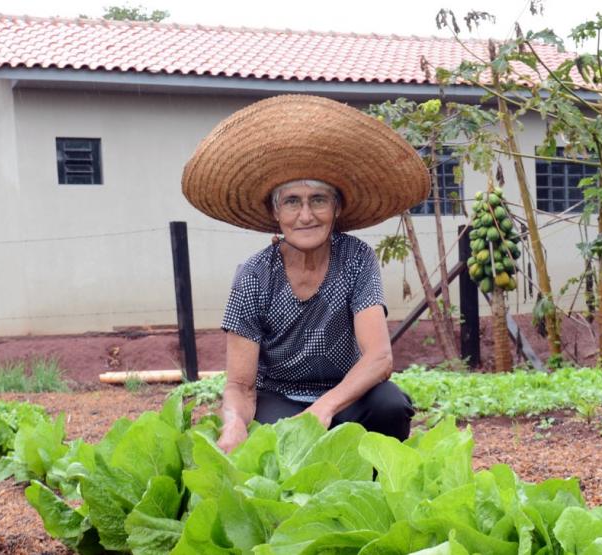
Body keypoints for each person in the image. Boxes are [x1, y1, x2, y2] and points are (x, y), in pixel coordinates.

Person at [181, 95, 431, 453]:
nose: (306, 215)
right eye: (292, 201)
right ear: (275, 212)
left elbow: (379, 358)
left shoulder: (356, 258)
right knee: (280, 443)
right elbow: (239, 383)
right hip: (278, 396)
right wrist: (234, 424)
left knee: (389, 407)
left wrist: (324, 408)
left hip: (345, 394)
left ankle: (374, 488)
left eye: (318, 200)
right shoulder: (253, 275)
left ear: (337, 208)